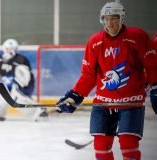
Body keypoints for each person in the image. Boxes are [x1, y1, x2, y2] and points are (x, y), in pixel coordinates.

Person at [55, 1, 157, 160]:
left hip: (131, 102)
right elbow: (88, 75)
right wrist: (75, 95)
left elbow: (152, 67)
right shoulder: (95, 41)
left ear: (122, 18)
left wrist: (155, 87)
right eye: (106, 18)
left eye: (114, 18)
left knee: (129, 146)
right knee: (101, 148)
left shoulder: (137, 36)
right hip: (103, 103)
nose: (110, 23)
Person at [0, 38, 48, 121]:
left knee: (15, 97)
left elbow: (25, 79)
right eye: (7, 48)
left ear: (15, 49)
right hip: (7, 87)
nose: (8, 51)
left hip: (21, 86)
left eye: (11, 49)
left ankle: (38, 111)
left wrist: (14, 83)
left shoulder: (21, 60)